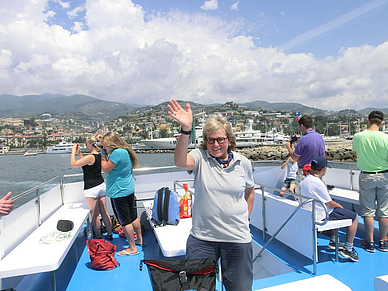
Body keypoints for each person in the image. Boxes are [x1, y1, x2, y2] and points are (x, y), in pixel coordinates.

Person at [168, 99, 255, 291]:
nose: (215, 144)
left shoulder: (244, 163)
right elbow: (180, 161)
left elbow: (249, 191)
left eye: (220, 139)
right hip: (203, 239)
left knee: (239, 288)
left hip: (237, 238)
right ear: (205, 141)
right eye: (211, 140)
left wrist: (245, 217)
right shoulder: (200, 157)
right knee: (199, 288)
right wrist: (186, 129)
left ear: (229, 140)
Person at [300, 156, 359, 262]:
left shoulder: (305, 180)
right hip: (321, 216)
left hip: (309, 213)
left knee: (338, 212)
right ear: (324, 169)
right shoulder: (319, 183)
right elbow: (330, 204)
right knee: (354, 217)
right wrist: (340, 206)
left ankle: (334, 240)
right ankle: (348, 249)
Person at [100, 132, 144, 256]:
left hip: (119, 192)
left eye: (105, 146)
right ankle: (140, 241)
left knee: (125, 221)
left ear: (111, 144)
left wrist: (103, 155)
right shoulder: (125, 151)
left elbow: (105, 168)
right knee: (133, 217)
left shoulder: (116, 153)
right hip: (128, 189)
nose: (104, 148)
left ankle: (132, 248)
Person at [352, 110, 388, 253]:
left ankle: (370, 242)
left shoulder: (358, 136)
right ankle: (383, 241)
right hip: (385, 176)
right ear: (382, 123)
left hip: (367, 176)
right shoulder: (386, 138)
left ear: (368, 120)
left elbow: (356, 153)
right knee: (384, 211)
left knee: (368, 211)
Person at [70, 135, 113, 240]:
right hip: (101, 185)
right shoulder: (99, 155)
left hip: (91, 188)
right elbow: (85, 163)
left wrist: (72, 151)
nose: (86, 147)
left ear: (90, 145)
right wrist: (79, 153)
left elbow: (73, 164)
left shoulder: (90, 157)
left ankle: (98, 237)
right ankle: (110, 234)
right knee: (104, 212)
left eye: (87, 145)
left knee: (95, 215)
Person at [286, 115, 325, 190]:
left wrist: (289, 147)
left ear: (302, 126)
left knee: (302, 195)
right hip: (318, 171)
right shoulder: (320, 137)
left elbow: (294, 158)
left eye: (299, 127)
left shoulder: (303, 139)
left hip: (305, 172)